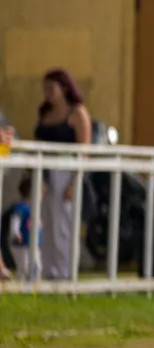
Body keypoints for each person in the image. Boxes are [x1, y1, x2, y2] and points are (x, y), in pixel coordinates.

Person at [31, 69, 91, 281]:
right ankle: (49, 271)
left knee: (63, 224)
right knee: (46, 221)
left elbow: (84, 150)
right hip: (45, 171)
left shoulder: (77, 113)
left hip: (66, 172)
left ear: (64, 88)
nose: (47, 93)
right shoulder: (44, 113)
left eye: (51, 88)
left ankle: (65, 271)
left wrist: (75, 182)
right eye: (45, 88)